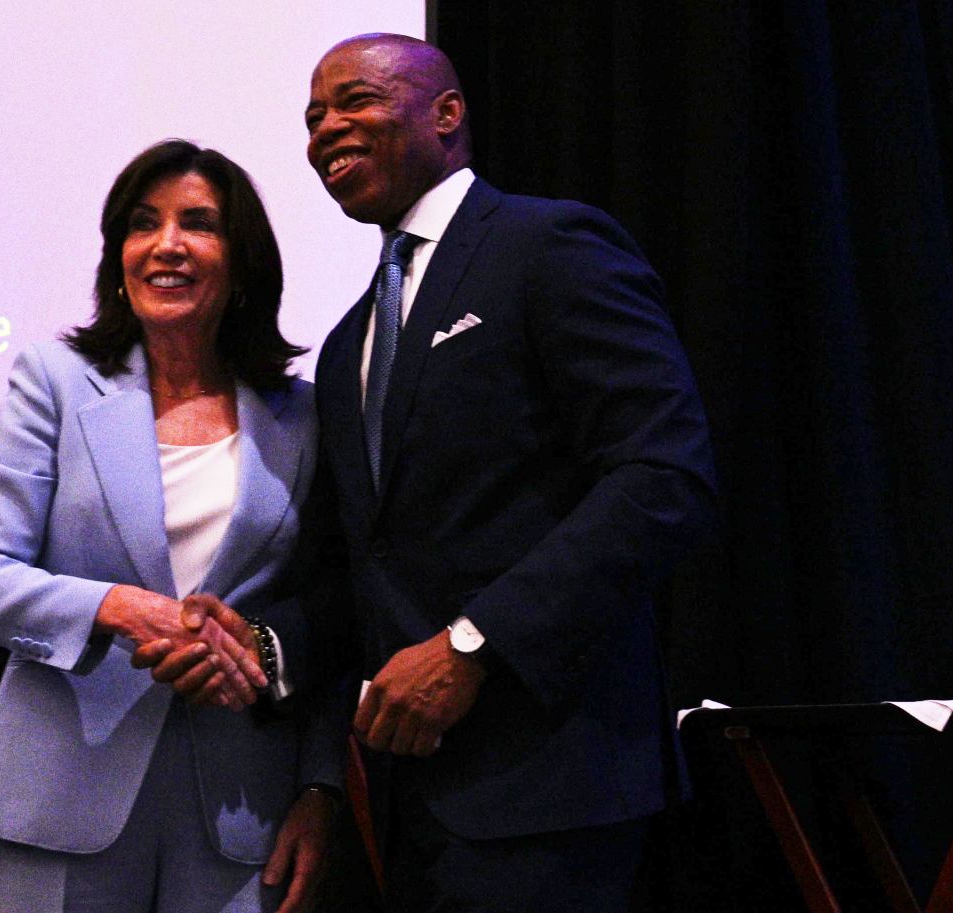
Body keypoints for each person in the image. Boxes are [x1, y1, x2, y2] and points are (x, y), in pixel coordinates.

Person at [301, 34, 719, 912]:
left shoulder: (549, 244)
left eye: (354, 101)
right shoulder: (346, 348)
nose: (326, 129)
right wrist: (257, 647)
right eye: (313, 117)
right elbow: (362, 565)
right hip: (415, 806)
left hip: (553, 783)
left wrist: (471, 645)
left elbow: (662, 475)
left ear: (447, 113)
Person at [0, 139, 345, 913]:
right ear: (118, 258)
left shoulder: (304, 415)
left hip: (242, 809)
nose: (166, 244)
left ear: (241, 262)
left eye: (198, 223)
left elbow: (329, 614)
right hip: (58, 795)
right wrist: (119, 606)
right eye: (142, 224)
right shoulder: (54, 381)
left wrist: (320, 784)